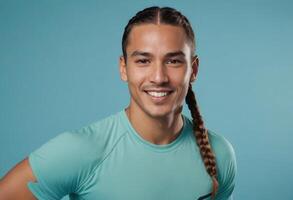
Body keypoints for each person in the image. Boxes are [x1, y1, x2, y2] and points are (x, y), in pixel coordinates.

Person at [0, 6, 237, 200]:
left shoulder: (219, 154)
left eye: (173, 61)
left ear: (193, 69)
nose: (158, 77)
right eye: (143, 60)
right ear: (124, 68)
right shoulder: (82, 150)